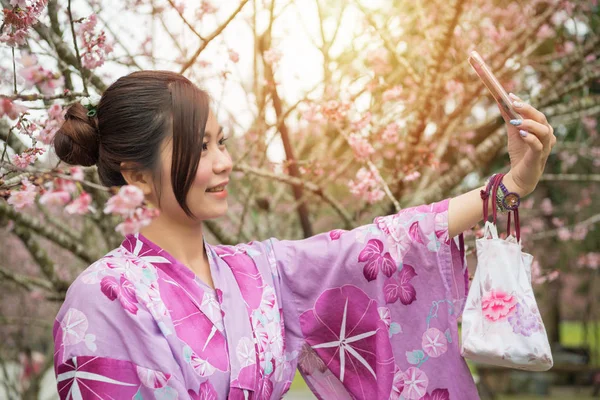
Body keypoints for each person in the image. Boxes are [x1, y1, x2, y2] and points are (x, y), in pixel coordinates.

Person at [52, 71, 555, 399]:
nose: (224, 162)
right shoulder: (102, 297)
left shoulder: (258, 272)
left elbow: (379, 246)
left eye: (220, 142)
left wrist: (509, 188)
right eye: (199, 148)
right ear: (135, 175)